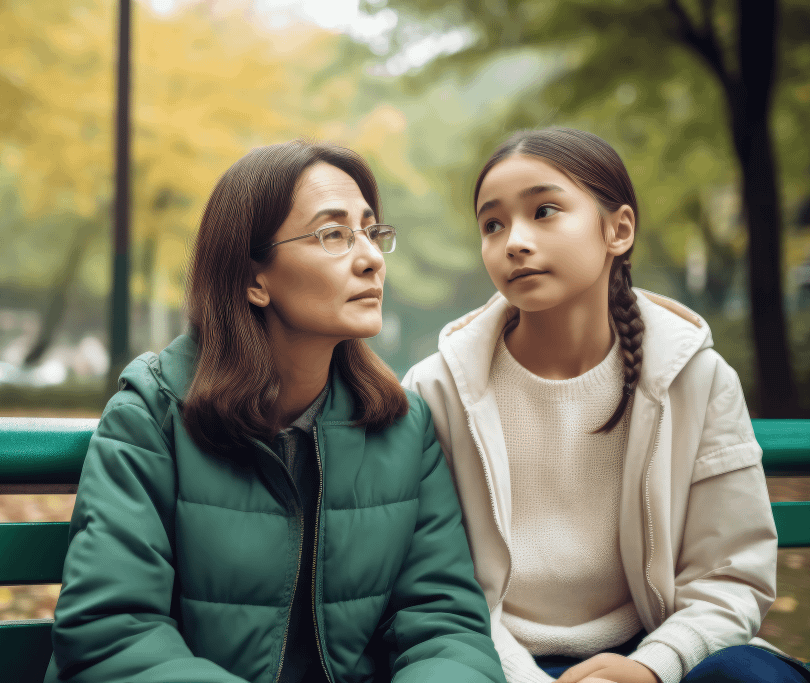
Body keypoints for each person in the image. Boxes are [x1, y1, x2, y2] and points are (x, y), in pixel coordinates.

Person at [43, 140, 505, 683]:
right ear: (253, 279)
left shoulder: (402, 425)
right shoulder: (153, 415)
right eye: (333, 234)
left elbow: (444, 625)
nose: (371, 258)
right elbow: (110, 634)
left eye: (372, 232)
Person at [402, 128, 810, 683]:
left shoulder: (695, 377)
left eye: (544, 211)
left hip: (652, 647)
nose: (513, 242)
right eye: (492, 224)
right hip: (492, 657)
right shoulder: (438, 390)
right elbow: (434, 590)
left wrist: (648, 669)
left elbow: (731, 577)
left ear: (617, 229)